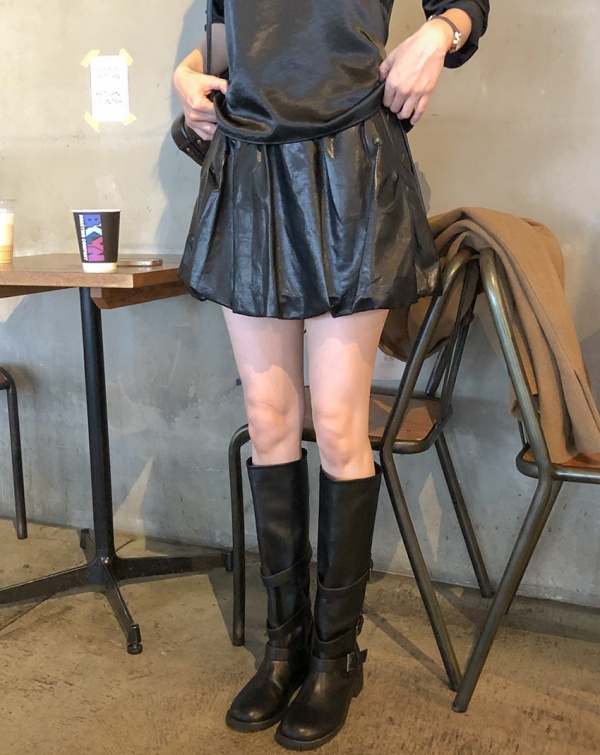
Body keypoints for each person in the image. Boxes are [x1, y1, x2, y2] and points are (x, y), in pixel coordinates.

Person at [174, 1, 489, 749]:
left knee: (342, 425)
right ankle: (285, 644)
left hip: (351, 166)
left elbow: (467, 4)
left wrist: (439, 35)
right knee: (269, 418)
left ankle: (336, 656)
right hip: (250, 169)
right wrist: (184, 78)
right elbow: (220, 45)